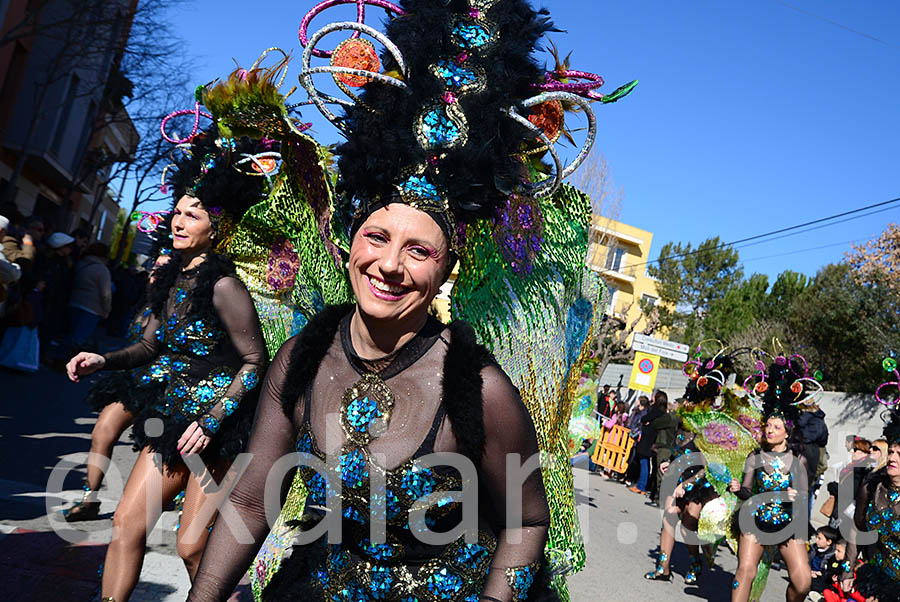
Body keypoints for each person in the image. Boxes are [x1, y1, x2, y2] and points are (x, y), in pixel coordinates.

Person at [185, 0, 636, 598]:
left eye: (419, 251)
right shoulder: (299, 360)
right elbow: (249, 497)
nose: (390, 265)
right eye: (377, 236)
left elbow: (526, 522)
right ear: (349, 245)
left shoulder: (479, 388)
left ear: (446, 268)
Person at [66, 131, 271, 601]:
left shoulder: (223, 286)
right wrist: (104, 358)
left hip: (217, 431)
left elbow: (255, 360)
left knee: (192, 545)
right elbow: (147, 346)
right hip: (171, 421)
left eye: (192, 214)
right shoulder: (174, 278)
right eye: (177, 211)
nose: (179, 220)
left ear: (215, 227)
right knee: (125, 524)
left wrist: (213, 418)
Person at [729, 355, 812, 602]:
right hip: (755, 519)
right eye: (767, 425)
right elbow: (746, 491)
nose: (769, 430)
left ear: (787, 432)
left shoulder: (798, 461)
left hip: (789, 522)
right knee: (745, 570)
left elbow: (804, 496)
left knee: (803, 582)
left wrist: (795, 498)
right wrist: (737, 489)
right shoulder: (754, 457)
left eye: (776, 427)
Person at [842, 363, 900, 602]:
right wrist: (848, 567)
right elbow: (857, 529)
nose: (894, 457)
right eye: (893, 451)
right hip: (879, 578)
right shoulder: (873, 487)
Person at [64, 242, 112, 352]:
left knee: (70, 335)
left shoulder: (81, 264)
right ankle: (67, 362)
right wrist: (106, 310)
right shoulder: (102, 270)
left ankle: (60, 358)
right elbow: (106, 294)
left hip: (74, 302)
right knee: (79, 338)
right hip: (92, 308)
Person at [825, 438, 871, 530]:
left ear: (865, 453)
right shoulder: (853, 466)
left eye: (856, 450)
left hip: (847, 510)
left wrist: (833, 487)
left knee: (836, 537)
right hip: (840, 507)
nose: (852, 452)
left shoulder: (862, 469)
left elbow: (852, 491)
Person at [809, 525, 838, 593]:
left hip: (822, 578)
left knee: (819, 585)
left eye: (819, 538)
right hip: (810, 573)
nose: (816, 540)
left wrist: (821, 573)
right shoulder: (813, 548)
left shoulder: (832, 555)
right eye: (816, 537)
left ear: (829, 542)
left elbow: (831, 571)